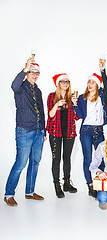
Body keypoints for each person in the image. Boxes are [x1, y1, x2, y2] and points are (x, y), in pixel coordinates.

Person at [4, 58, 46, 206]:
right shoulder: (20, 87)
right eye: (31, 72)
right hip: (24, 130)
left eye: (37, 73)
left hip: (38, 132)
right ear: (27, 73)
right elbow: (13, 85)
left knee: (35, 162)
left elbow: (41, 111)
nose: (34, 75)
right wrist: (24, 69)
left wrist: (44, 131)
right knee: (21, 163)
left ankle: (29, 192)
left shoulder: (38, 90)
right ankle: (9, 194)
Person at [72, 67, 107, 198]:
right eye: (89, 82)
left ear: (97, 84)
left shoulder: (102, 94)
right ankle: (90, 185)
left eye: (93, 82)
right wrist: (75, 105)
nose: (90, 84)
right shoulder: (81, 98)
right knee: (88, 159)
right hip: (86, 130)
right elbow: (80, 116)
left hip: (99, 130)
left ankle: (101, 183)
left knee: (102, 158)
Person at [47, 73, 79, 198]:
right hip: (55, 132)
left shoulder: (72, 98)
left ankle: (66, 182)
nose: (65, 83)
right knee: (56, 159)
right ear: (58, 84)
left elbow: (77, 117)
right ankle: (57, 185)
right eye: (62, 81)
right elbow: (50, 114)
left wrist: (76, 104)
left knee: (67, 158)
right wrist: (57, 104)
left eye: (67, 81)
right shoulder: (51, 96)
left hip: (69, 132)